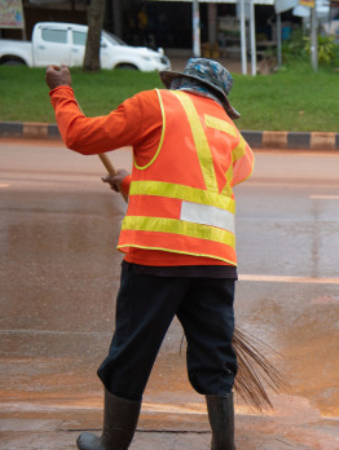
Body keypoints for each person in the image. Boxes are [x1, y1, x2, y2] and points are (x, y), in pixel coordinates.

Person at [45, 58, 254, 450]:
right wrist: (130, 182)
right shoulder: (232, 135)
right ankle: (223, 446)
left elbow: (80, 136)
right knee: (215, 357)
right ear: (221, 100)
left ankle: (112, 445)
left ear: (180, 83)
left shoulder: (155, 104)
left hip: (157, 259)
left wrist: (61, 90)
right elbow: (194, 186)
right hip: (216, 263)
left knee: (132, 352)